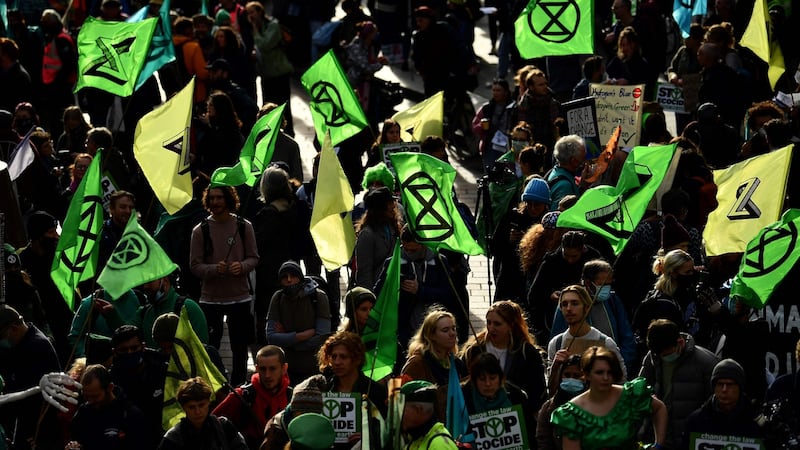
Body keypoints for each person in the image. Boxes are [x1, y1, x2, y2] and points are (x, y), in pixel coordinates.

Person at [190, 185, 259, 386]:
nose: (216, 202)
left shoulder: (243, 226)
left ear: (228, 199)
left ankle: (237, 386)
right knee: (211, 346)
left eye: (220, 198)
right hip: (210, 299)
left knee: (240, 348)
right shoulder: (200, 230)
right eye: (212, 198)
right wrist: (214, 269)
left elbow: (254, 257)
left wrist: (242, 266)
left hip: (240, 297)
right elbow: (195, 265)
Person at [551, 346, 668, 449]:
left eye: (610, 372)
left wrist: (658, 445)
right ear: (587, 374)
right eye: (599, 372)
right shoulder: (571, 414)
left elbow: (659, 408)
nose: (606, 377)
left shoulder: (630, 395)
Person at [638, 319, 719, 448]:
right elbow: (641, 394)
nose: (665, 358)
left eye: (668, 354)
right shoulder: (653, 358)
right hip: (659, 436)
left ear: (680, 342)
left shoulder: (706, 363)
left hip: (690, 438)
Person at [461, 300, 547, 416]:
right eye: (488, 322)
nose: (491, 328)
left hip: (517, 417)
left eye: (497, 324)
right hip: (478, 414)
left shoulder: (526, 352)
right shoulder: (474, 350)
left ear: (511, 325)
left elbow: (537, 389)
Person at [550, 259, 636, 373]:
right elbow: (559, 340)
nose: (607, 289)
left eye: (608, 284)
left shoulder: (612, 301)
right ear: (587, 283)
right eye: (602, 284)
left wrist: (621, 364)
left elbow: (627, 336)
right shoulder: (568, 305)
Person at [375, 226, 456, 347]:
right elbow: (379, 293)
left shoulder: (439, 262)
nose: (408, 253)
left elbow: (449, 295)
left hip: (432, 328)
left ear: (423, 245)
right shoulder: (393, 262)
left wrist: (420, 290)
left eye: (413, 250)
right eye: (406, 249)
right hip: (402, 329)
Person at [254, 166, 306, 345]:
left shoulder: (267, 215)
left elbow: (258, 245)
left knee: (269, 314)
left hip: (269, 274)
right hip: (294, 268)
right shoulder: (297, 207)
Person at [0, 304, 62, 450]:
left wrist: (37, 436)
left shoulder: (36, 348)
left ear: (13, 328)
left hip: (40, 429)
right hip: (26, 424)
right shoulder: (22, 343)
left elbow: (32, 396)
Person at [528, 231, 602, 344]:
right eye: (566, 255)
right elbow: (534, 294)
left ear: (582, 250)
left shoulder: (594, 259)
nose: (570, 260)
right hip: (555, 318)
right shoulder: (551, 261)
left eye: (574, 256)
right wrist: (550, 295)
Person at [212, 345, 292, 449]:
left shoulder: (292, 397)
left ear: (284, 368)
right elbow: (211, 424)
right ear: (257, 369)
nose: (267, 375)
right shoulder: (241, 395)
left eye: (272, 369)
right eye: (263, 369)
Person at [317, 332, 388, 449]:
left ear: (357, 359)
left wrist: (367, 436)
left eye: (343, 357)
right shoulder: (323, 389)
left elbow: (386, 432)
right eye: (333, 356)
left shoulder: (375, 391)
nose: (337, 362)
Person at [266, 260, 332, 384]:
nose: (289, 280)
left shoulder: (318, 297)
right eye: (285, 277)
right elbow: (271, 337)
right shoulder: (278, 298)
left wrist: (288, 341)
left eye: (293, 276)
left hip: (313, 367)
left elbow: (322, 337)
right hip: (286, 369)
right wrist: (301, 336)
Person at [547, 285, 627, 385]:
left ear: (587, 308)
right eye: (564, 304)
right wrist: (555, 367)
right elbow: (550, 389)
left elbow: (621, 381)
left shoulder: (606, 343)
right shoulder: (556, 343)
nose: (569, 308)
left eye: (575, 303)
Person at [492, 177, 551, 303]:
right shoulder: (511, 218)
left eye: (537, 204)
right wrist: (509, 240)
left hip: (534, 280)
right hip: (509, 278)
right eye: (530, 203)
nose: (533, 208)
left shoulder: (548, 223)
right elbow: (495, 248)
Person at [109, 324, 170, 447]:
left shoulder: (162, 371)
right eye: (124, 350)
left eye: (134, 348)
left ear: (143, 347)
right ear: (115, 352)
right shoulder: (111, 381)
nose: (129, 352)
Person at [682, 359, 764, 447]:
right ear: (713, 387)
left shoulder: (757, 422)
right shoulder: (696, 421)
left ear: (740, 388)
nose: (724, 390)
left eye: (730, 385)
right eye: (720, 384)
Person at [67, 364, 150, 449]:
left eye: (95, 396)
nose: (90, 401)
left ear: (110, 388)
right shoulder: (83, 412)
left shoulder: (131, 415)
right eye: (86, 396)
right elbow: (74, 438)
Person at [631, 249, 695, 354]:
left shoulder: (684, 292)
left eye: (693, 270)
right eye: (688, 272)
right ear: (673, 272)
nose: (692, 274)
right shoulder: (661, 305)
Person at [246, 1, 294, 136]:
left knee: (284, 106)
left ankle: (289, 134)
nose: (250, 16)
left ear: (260, 12)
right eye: (248, 13)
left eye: (252, 12)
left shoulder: (273, 26)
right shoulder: (256, 28)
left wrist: (255, 30)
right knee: (268, 106)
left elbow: (264, 45)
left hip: (279, 73)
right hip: (266, 74)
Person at [159, 377, 248, 450]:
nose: (197, 412)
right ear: (184, 408)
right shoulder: (173, 438)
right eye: (192, 407)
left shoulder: (224, 427)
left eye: (201, 405)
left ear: (208, 403)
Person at [462, 353, 533, 443]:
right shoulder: (464, 400)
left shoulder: (515, 395)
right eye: (482, 379)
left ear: (501, 378)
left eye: (492, 378)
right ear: (474, 381)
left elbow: (529, 430)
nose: (488, 384)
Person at [260, 374, 327, 450]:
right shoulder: (276, 427)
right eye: (303, 413)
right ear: (294, 410)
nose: (307, 419)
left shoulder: (321, 430)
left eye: (312, 414)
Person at [353, 186, 402, 290]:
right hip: (377, 292)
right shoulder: (367, 234)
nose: (393, 206)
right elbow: (364, 272)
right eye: (389, 203)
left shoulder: (394, 228)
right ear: (380, 208)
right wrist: (369, 297)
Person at [536, 354, 584, 450]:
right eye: (567, 375)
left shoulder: (596, 405)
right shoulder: (549, 408)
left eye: (576, 376)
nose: (571, 379)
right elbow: (543, 441)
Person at [400, 380, 459, 450]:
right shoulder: (415, 441)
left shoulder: (439, 445)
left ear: (418, 409)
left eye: (402, 409)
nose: (401, 415)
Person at [472, 78, 516, 169]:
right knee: (490, 173)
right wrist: (482, 125)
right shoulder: (486, 107)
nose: (495, 93)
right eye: (494, 90)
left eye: (498, 90)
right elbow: (475, 126)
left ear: (506, 92)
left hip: (509, 146)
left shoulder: (514, 108)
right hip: (490, 145)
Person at [546, 135, 587, 211]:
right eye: (583, 158)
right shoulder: (564, 186)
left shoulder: (556, 171)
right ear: (573, 161)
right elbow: (559, 216)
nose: (584, 162)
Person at [98, 190, 136, 270]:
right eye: (123, 207)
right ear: (112, 209)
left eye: (131, 208)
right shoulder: (100, 234)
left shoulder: (138, 232)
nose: (128, 211)